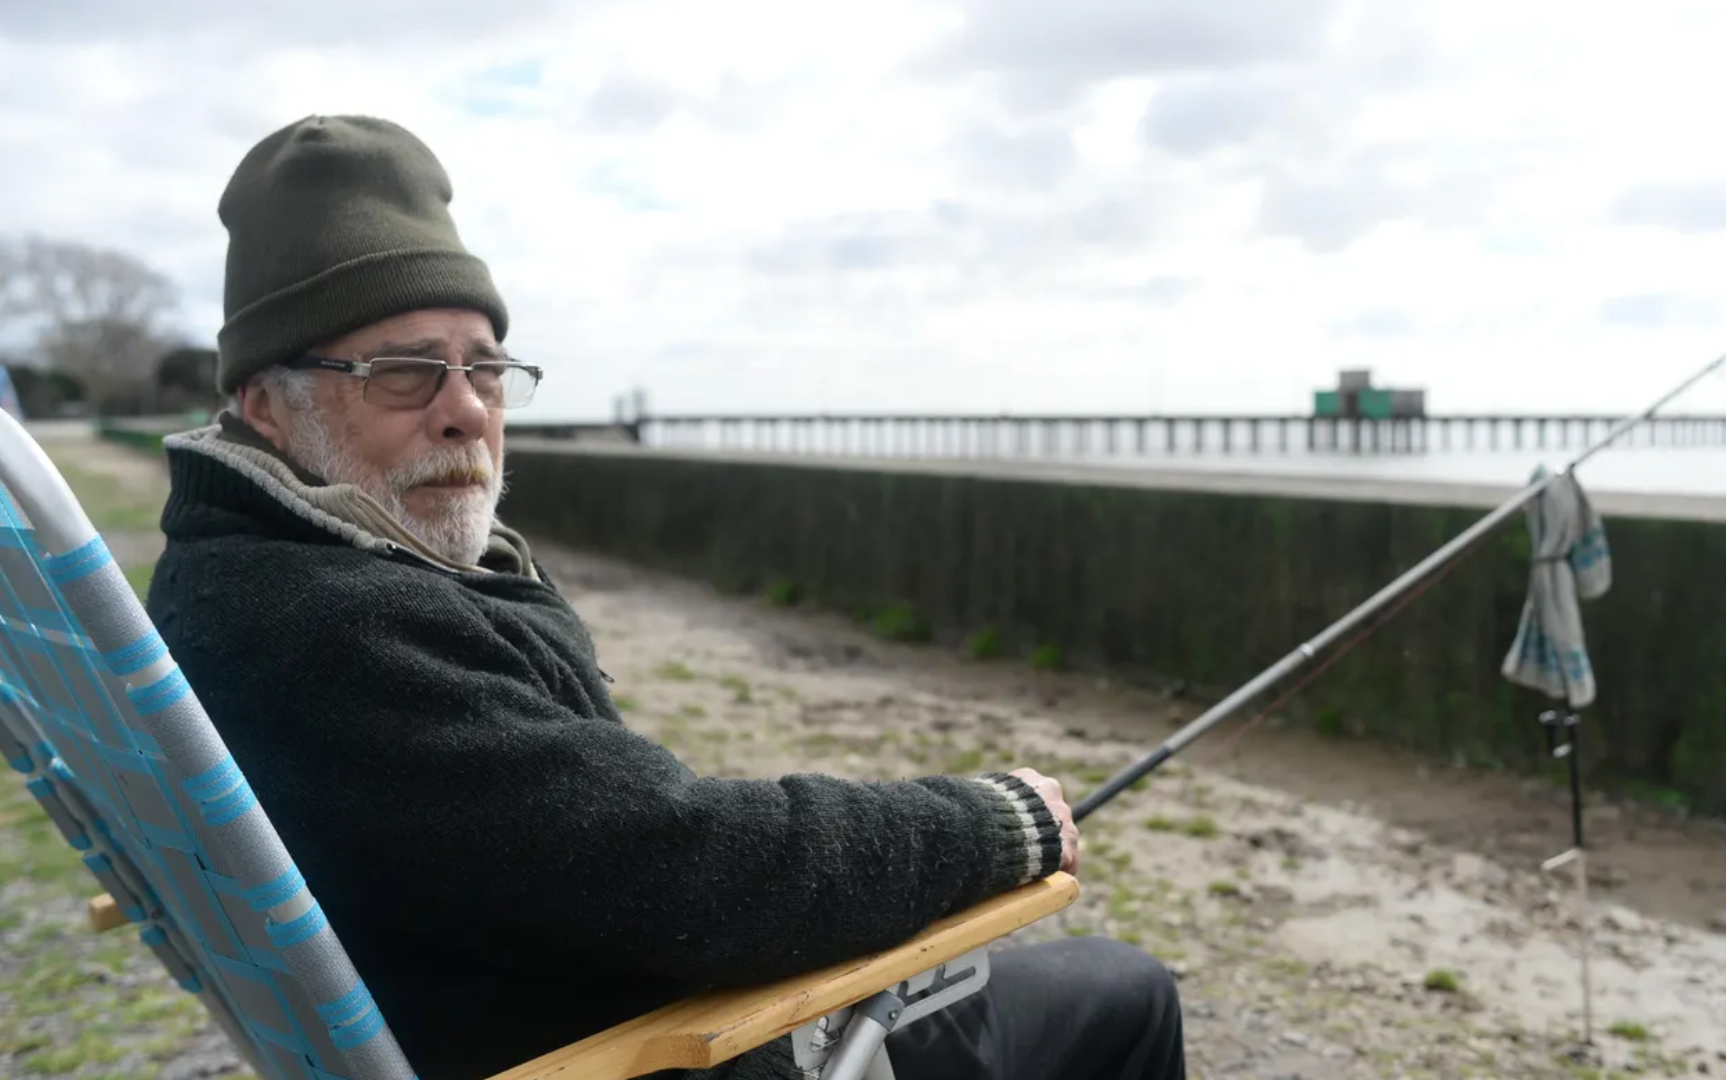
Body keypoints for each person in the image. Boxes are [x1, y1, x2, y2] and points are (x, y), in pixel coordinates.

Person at [147, 114, 1185, 1080]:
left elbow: (587, 842)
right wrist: (990, 822)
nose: (466, 412)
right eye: (405, 372)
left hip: (541, 991)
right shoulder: (326, 626)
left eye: (487, 368)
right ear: (267, 409)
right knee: (1124, 993)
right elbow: (679, 872)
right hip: (665, 1045)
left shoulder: (229, 575)